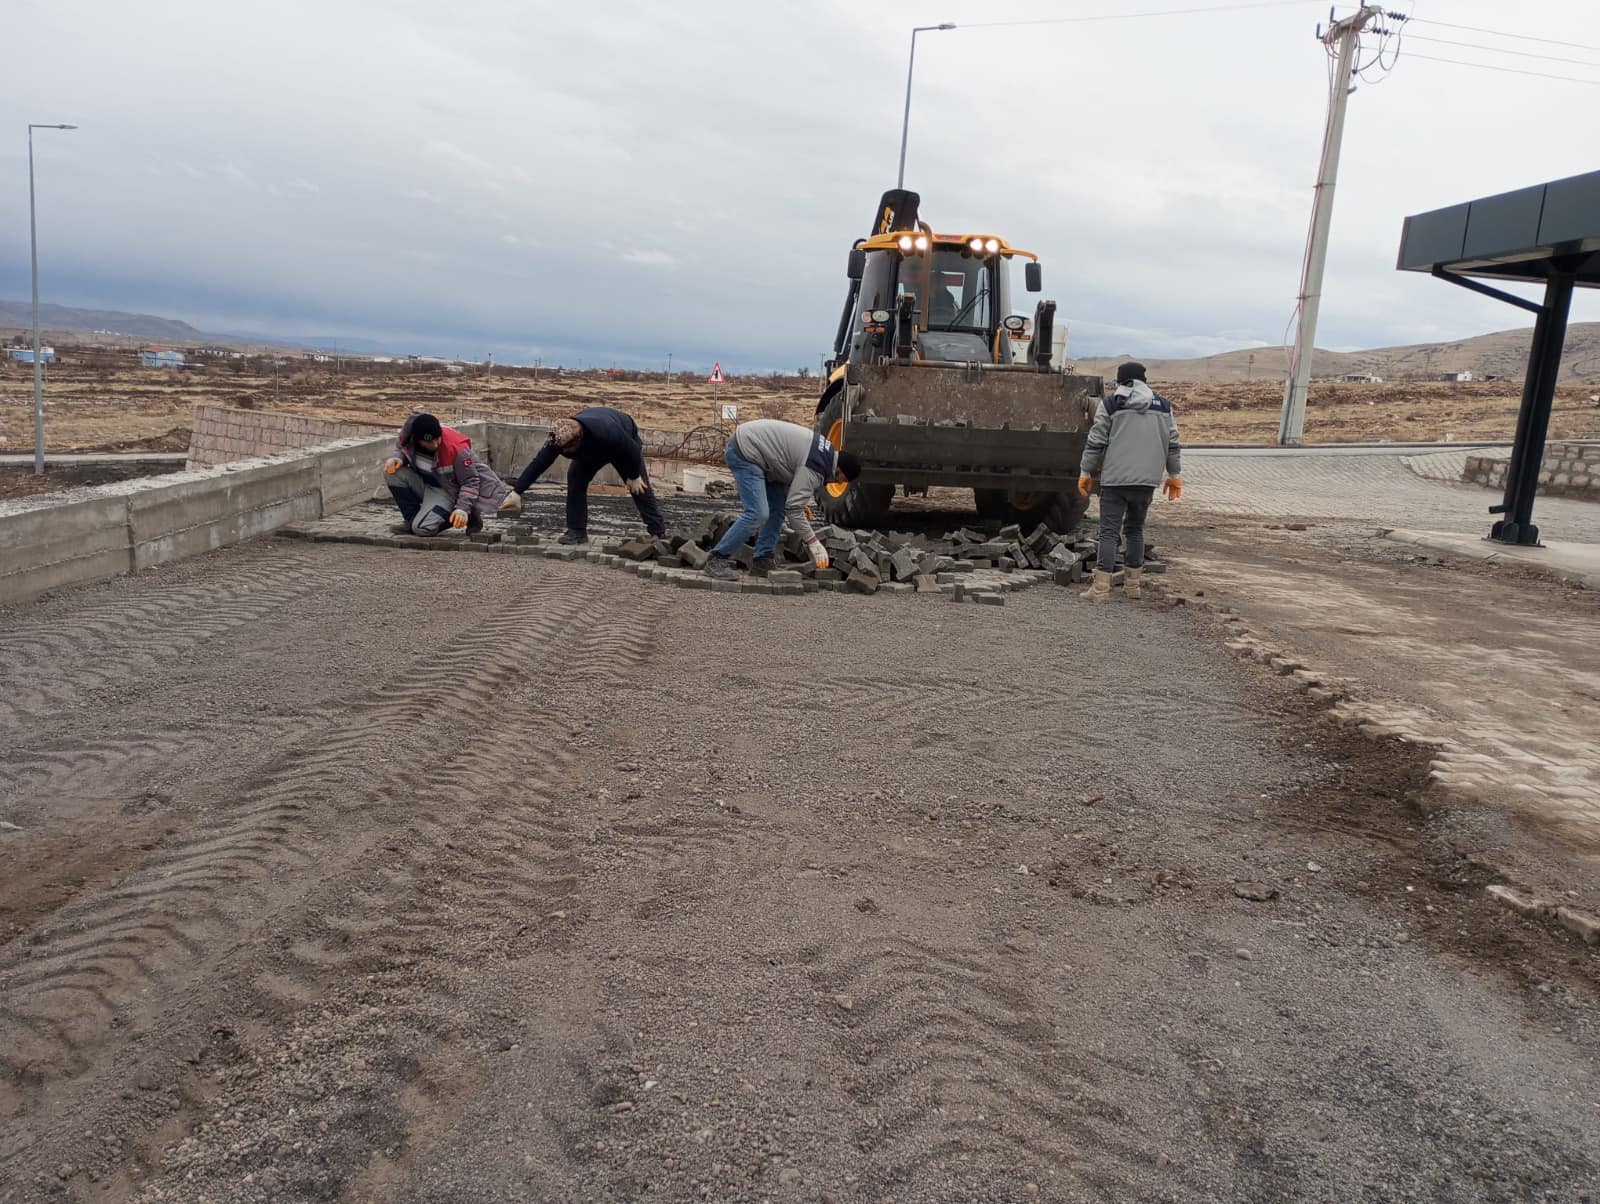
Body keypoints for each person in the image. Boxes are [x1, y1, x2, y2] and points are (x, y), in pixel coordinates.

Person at [1076, 361, 1182, 602]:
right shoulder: (1164, 405)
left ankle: (1101, 590)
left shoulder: (1111, 403)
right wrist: (1174, 475)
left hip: (1115, 481)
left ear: (1120, 381)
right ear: (1144, 380)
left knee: (1108, 532)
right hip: (1147, 481)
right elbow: (1173, 443)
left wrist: (1085, 471)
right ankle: (1134, 586)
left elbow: (1096, 440)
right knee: (1135, 530)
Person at [705, 419, 861, 580]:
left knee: (777, 510)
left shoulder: (825, 454)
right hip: (745, 452)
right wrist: (813, 542)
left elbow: (788, 465)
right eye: (842, 479)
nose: (838, 483)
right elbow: (793, 509)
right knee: (758, 513)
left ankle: (762, 560)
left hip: (764, 456)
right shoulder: (818, 465)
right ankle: (717, 559)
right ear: (840, 469)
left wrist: (796, 499)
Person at [497, 406, 665, 545]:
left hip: (623, 441)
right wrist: (517, 492)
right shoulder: (559, 437)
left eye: (567, 451)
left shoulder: (608, 432)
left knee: (639, 486)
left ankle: (658, 532)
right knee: (576, 479)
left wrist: (634, 475)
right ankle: (576, 531)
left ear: (578, 441)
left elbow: (632, 450)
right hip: (592, 449)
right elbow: (539, 463)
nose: (563, 454)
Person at [384, 411, 511, 536]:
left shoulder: (456, 449)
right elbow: (402, 449)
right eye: (428, 442)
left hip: (448, 492)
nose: (434, 445)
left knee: (422, 529)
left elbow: (471, 481)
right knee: (392, 473)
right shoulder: (409, 438)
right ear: (417, 440)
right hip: (426, 483)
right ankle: (411, 520)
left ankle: (468, 515)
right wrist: (398, 458)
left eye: (437, 439)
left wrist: (462, 509)